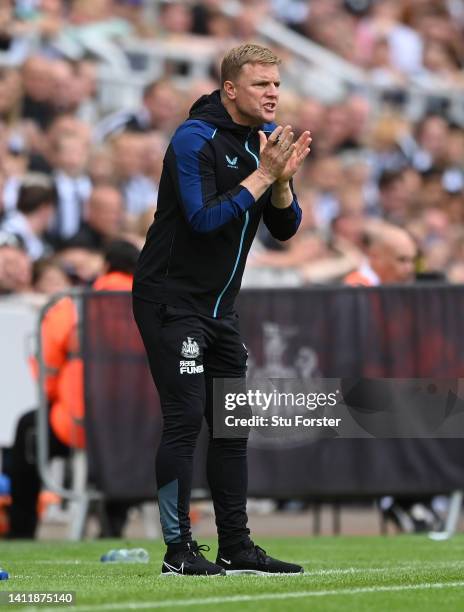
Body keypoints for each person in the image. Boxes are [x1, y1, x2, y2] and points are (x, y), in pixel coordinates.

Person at [132, 43, 311, 576]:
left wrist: (279, 181)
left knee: (232, 426)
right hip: (171, 302)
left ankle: (235, 543)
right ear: (231, 89)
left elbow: (284, 227)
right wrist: (262, 176)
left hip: (220, 310)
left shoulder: (264, 144)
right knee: (185, 420)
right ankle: (177, 551)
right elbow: (202, 219)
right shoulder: (193, 138)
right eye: (261, 84)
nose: (273, 93)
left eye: (276, 84)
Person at [7, 239, 140, 538]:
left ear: (105, 267)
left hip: (78, 424)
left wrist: (60, 401)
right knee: (134, 442)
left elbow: (47, 372)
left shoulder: (73, 307)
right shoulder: (161, 308)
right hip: (143, 429)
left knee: (29, 428)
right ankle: (113, 522)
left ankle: (21, 530)